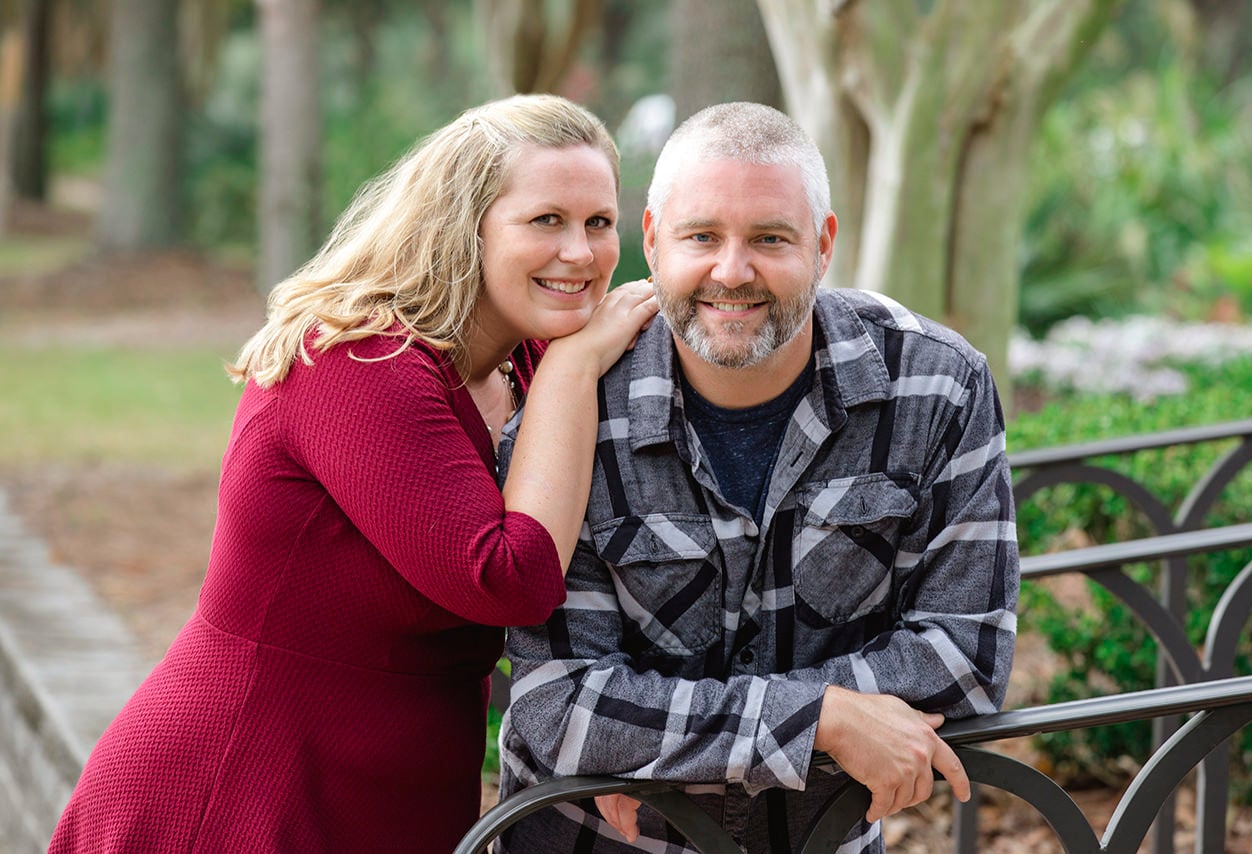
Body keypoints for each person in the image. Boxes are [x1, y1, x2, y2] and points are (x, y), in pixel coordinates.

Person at [48, 94, 658, 853]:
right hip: (245, 787)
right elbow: (511, 578)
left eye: (600, 223)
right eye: (546, 221)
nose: (583, 252)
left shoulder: (527, 362)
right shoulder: (356, 360)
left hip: (406, 794)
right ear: (463, 228)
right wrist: (574, 372)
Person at [496, 101, 1019, 853]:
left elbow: (963, 657)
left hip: (819, 840)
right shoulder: (574, 418)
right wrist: (827, 722)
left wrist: (659, 744)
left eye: (770, 239)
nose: (732, 272)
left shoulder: (935, 388)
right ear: (652, 239)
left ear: (823, 243)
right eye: (701, 236)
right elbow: (561, 705)